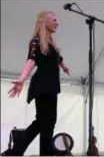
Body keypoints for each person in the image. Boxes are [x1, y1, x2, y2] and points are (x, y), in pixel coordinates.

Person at [8, 11, 69, 156]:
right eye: (54, 20)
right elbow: (31, 60)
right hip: (42, 84)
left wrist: (64, 66)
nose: (57, 22)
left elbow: (57, 58)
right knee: (43, 121)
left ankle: (39, 152)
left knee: (48, 122)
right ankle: (18, 149)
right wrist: (21, 79)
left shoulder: (51, 43)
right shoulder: (36, 41)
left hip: (52, 85)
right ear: (44, 22)